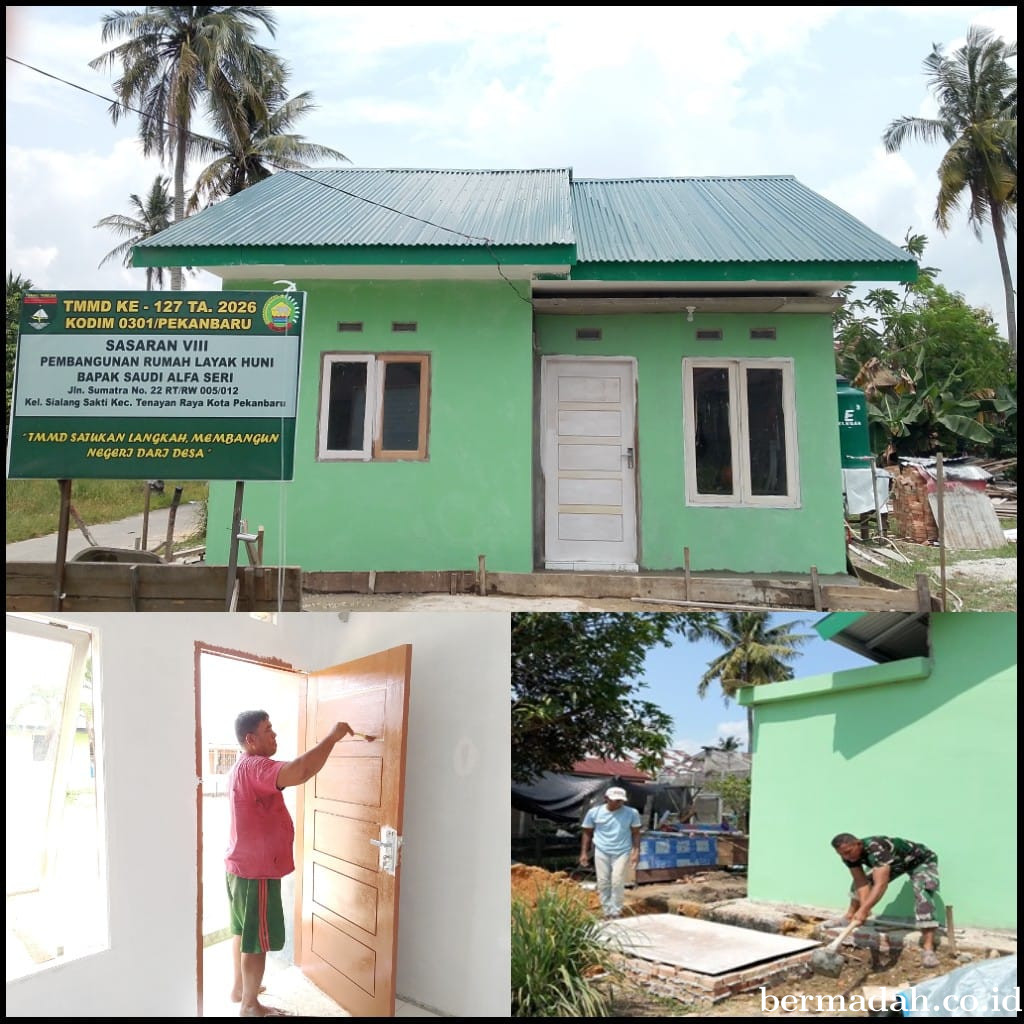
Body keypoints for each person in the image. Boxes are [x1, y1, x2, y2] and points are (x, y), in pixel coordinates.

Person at [225, 709, 373, 1017]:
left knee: (242, 929)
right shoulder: (255, 766)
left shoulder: (240, 766)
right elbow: (301, 771)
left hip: (240, 867)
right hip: (257, 871)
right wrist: (332, 737)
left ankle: (240, 988)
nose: (275, 734)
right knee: (256, 940)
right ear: (251, 740)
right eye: (268, 730)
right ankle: (250, 1006)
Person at [828, 832, 941, 967]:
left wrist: (864, 909)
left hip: (920, 861)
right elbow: (861, 882)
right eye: (841, 854)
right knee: (858, 885)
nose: (846, 857)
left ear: (858, 843)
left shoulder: (877, 848)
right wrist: (864, 909)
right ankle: (850, 916)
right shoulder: (848, 856)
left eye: (848, 852)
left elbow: (881, 884)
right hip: (896, 862)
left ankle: (928, 949)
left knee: (923, 893)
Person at [579, 786, 642, 919]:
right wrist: (584, 852)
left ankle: (615, 911)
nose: (618, 803)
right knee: (603, 881)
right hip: (601, 850)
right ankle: (606, 910)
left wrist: (636, 852)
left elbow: (636, 833)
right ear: (606, 799)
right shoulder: (594, 813)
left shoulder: (632, 813)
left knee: (617, 880)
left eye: (621, 800)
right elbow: (587, 832)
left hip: (622, 851)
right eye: (615, 800)